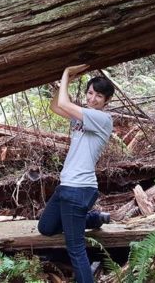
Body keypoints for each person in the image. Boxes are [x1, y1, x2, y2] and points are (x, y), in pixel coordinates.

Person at [37, 64, 115, 283]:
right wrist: (66, 81)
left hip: (79, 189)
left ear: (106, 100)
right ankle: (94, 218)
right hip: (66, 187)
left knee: (76, 249)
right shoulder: (82, 117)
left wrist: (66, 73)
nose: (92, 99)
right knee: (45, 227)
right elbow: (56, 106)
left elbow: (64, 103)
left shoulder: (102, 119)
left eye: (98, 96)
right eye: (90, 93)